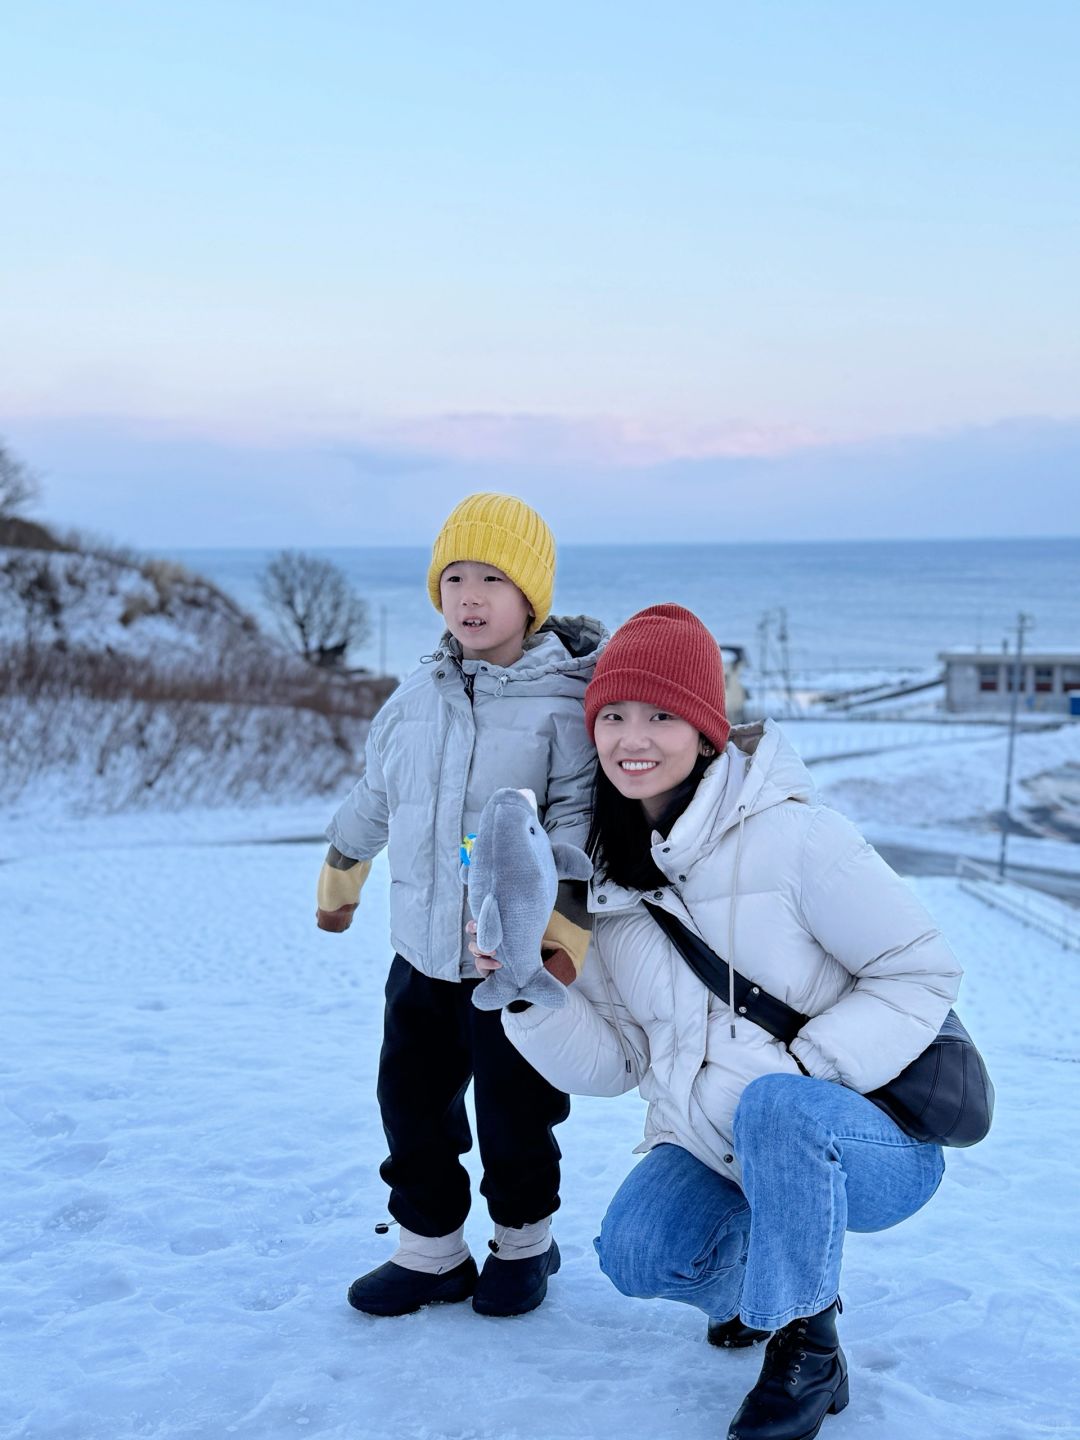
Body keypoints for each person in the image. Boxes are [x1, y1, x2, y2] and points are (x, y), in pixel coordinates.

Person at [479, 603, 960, 1437]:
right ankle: (780, 1274)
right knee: (635, 1251)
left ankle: (808, 1348)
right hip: (720, 1142)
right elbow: (619, 1062)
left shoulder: (798, 838)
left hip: (865, 1137)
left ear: (706, 732)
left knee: (777, 1105)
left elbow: (920, 971)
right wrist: (529, 995)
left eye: (661, 715)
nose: (634, 736)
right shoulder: (602, 883)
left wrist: (809, 1069)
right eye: (615, 716)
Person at [316, 492, 605, 1319]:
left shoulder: (564, 708)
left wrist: (561, 943)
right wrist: (341, 872)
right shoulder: (414, 699)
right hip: (418, 955)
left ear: (530, 597)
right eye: (453, 579)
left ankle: (523, 1244)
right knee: (409, 1105)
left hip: (508, 960)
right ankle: (431, 1251)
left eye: (491, 578)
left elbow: (576, 833)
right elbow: (376, 796)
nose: (469, 597)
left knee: (517, 1113)